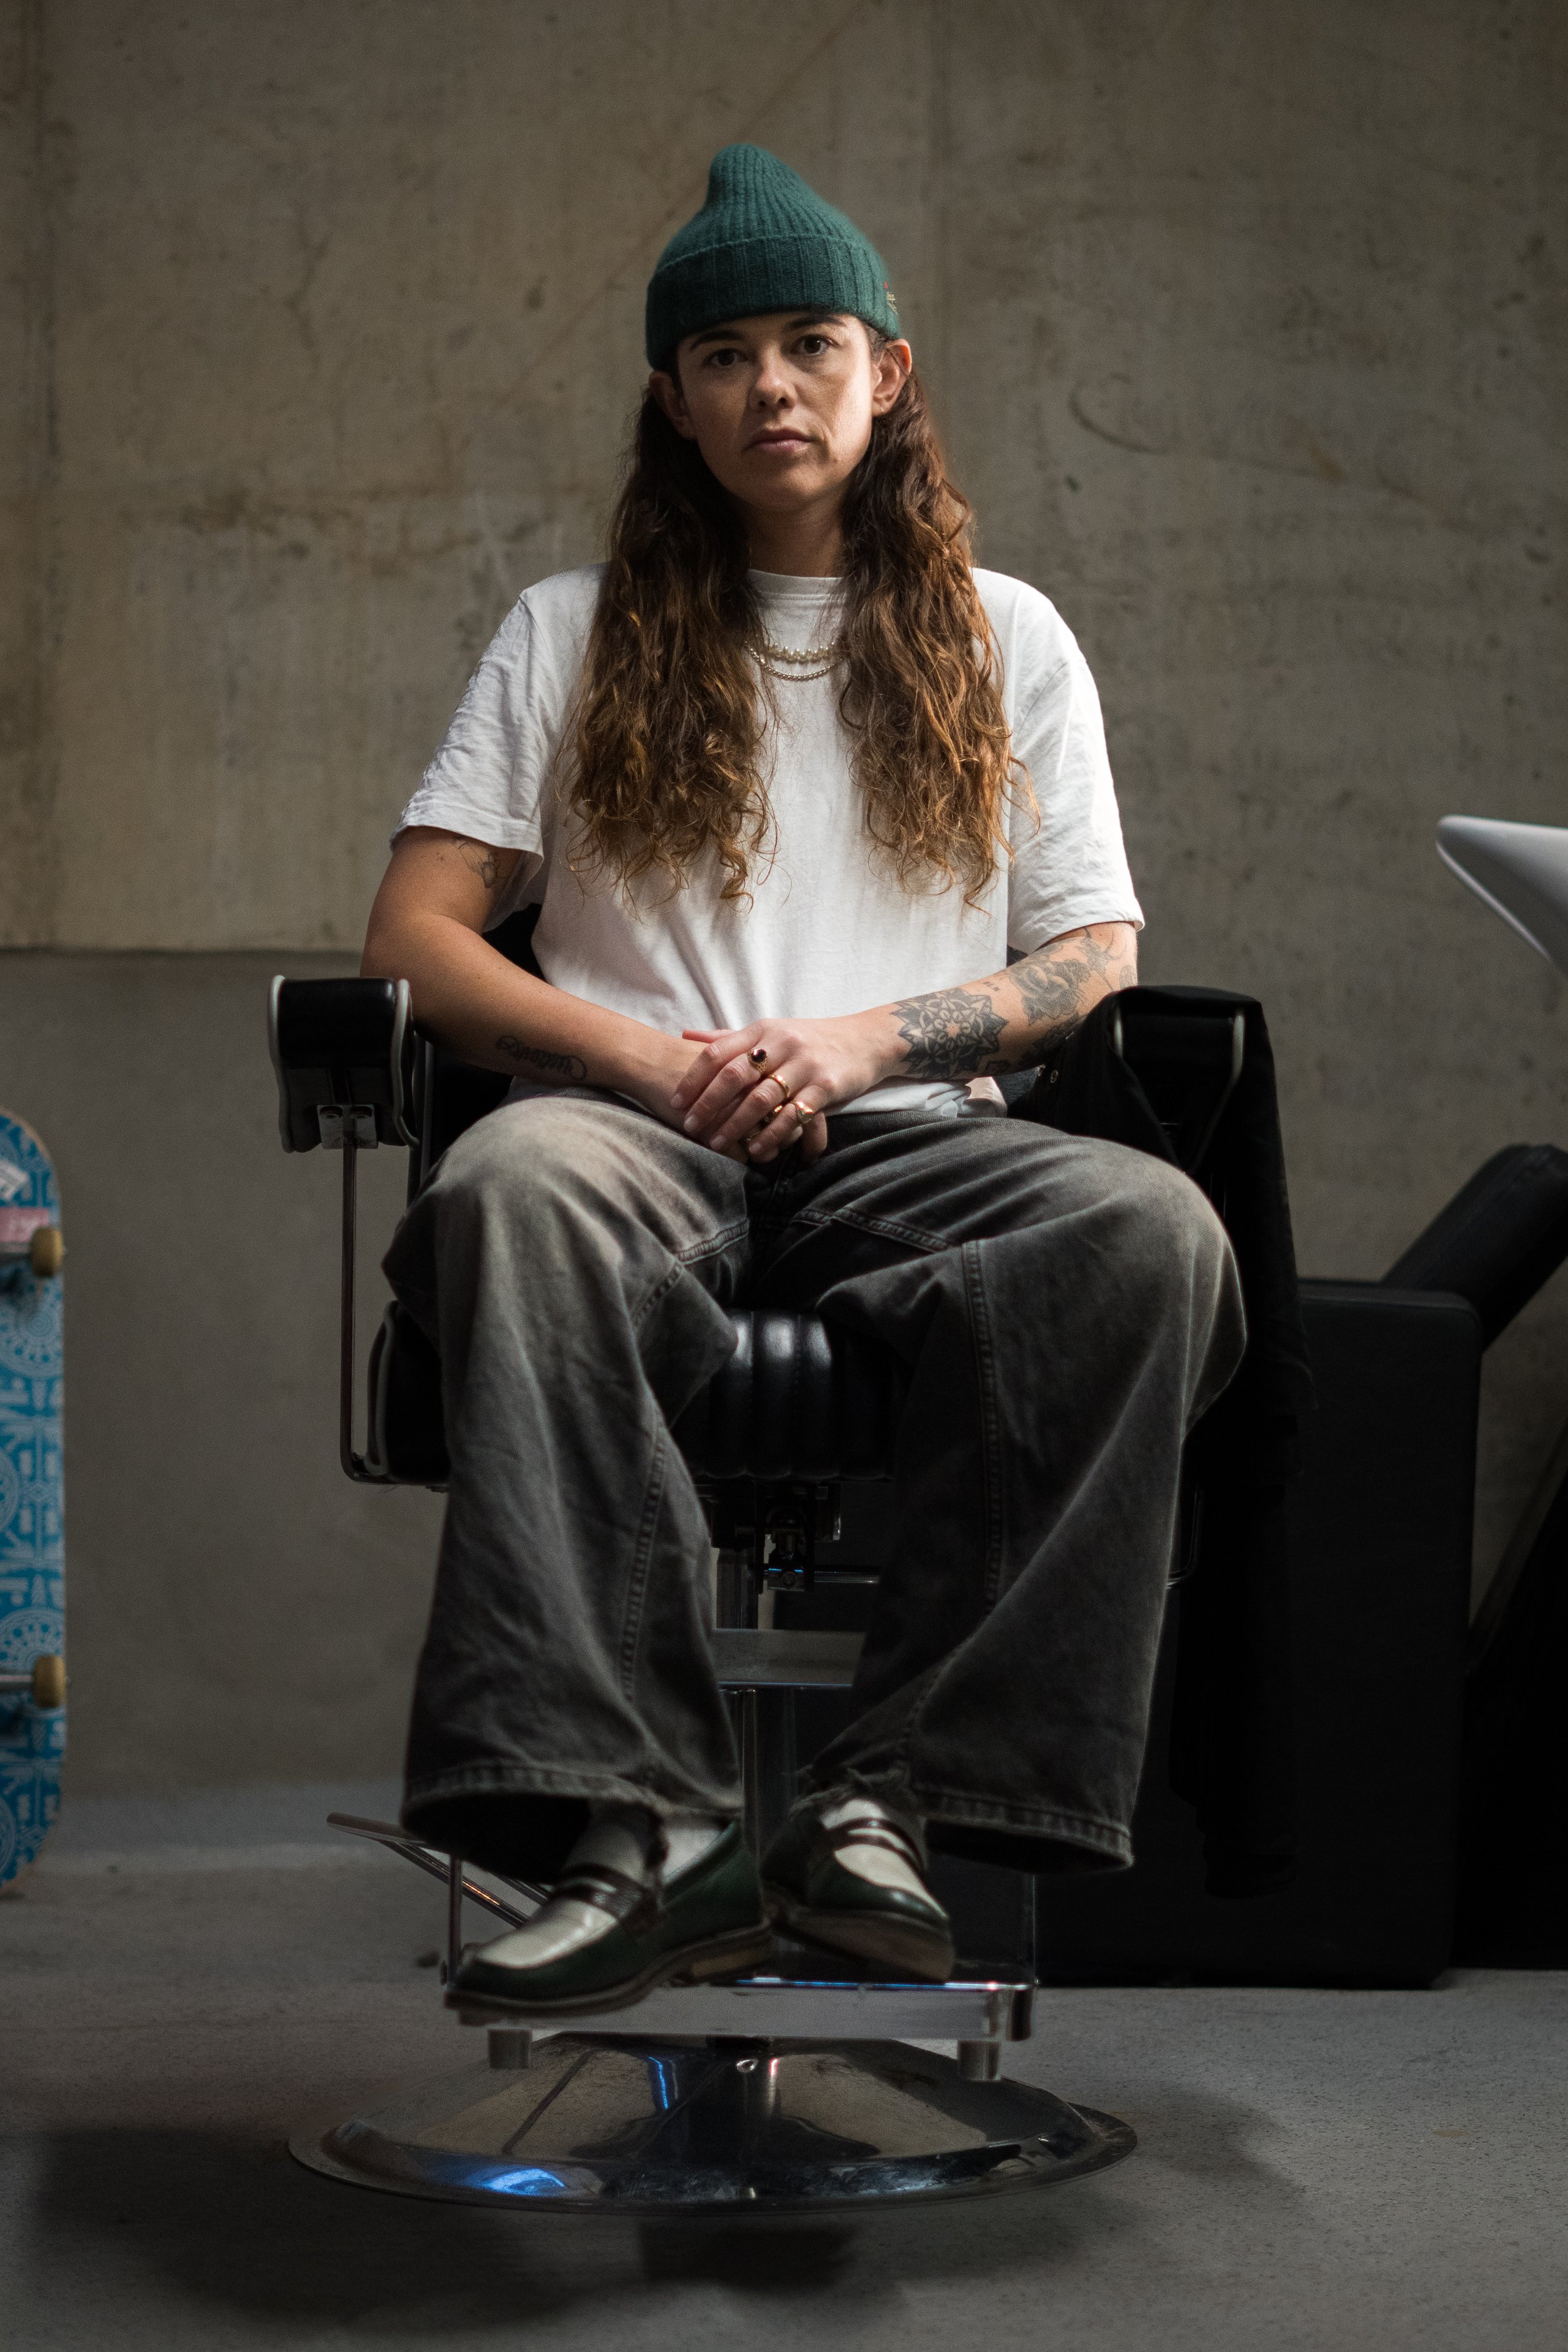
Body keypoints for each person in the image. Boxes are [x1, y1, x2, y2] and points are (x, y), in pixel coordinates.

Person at [363, 145, 1245, 2015]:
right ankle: (647, 1829)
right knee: (511, 1185)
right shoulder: (568, 630)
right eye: (725, 355)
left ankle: (886, 1810)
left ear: (885, 372)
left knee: (1148, 1232)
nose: (771, 383)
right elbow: (419, 940)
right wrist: (648, 1060)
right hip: (631, 1131)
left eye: (810, 344)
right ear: (673, 402)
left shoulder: (1006, 637)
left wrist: (860, 1042)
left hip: (908, 1143)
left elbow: (1093, 959)